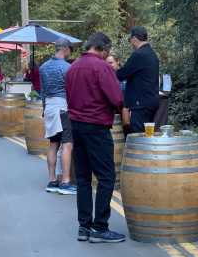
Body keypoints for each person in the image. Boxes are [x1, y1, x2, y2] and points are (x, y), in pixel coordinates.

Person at [66, 32, 125, 244]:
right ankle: (100, 227)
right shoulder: (101, 67)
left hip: (76, 125)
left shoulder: (73, 67)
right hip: (96, 126)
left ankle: (84, 227)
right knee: (106, 177)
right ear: (103, 49)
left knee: (82, 178)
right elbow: (117, 97)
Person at [40, 38, 76, 195]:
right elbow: (72, 92)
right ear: (66, 49)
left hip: (49, 107)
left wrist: (44, 109)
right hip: (63, 108)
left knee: (53, 144)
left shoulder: (43, 68)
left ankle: (52, 180)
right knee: (67, 144)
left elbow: (42, 92)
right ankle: (66, 182)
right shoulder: (68, 68)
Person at [116, 26, 159, 134]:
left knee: (137, 135)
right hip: (150, 101)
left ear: (134, 38)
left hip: (140, 104)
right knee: (147, 134)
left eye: (130, 40)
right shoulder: (152, 54)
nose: (131, 43)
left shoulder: (139, 54)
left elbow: (122, 74)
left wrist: (112, 70)